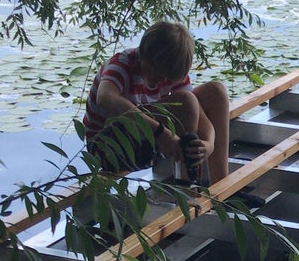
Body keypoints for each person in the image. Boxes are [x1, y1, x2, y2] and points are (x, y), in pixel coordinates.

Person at [83, 21, 246, 193]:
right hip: (108, 149)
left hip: (153, 140)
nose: (162, 81)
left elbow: (196, 109)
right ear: (144, 54)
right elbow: (105, 98)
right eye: (158, 74)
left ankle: (222, 189)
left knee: (216, 91)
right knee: (185, 101)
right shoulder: (121, 65)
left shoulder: (169, 74)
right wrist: (160, 132)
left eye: (168, 78)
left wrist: (208, 144)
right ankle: (184, 186)